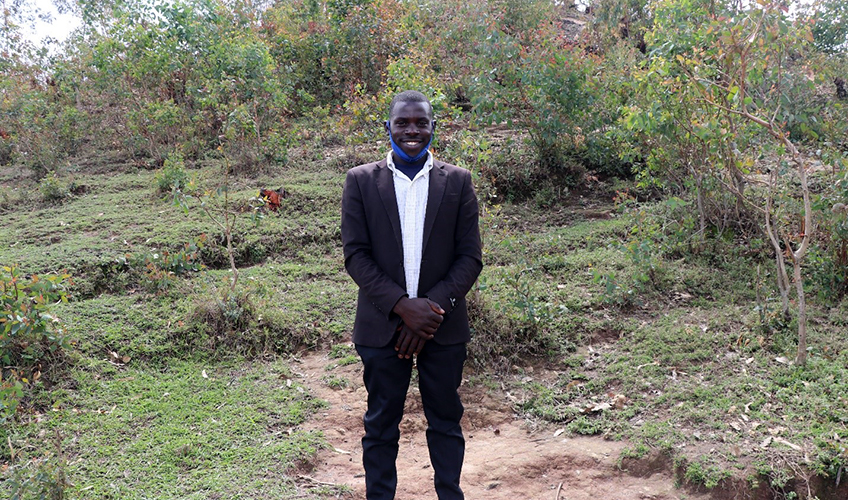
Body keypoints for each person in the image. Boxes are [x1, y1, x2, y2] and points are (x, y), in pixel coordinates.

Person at [340, 90, 483, 500]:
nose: (412, 130)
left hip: (444, 327)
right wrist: (403, 309)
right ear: (388, 128)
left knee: (446, 421)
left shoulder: (457, 181)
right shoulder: (361, 182)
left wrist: (429, 313)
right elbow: (356, 255)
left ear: (433, 128)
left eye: (421, 122)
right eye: (402, 122)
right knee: (381, 424)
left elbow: (470, 257)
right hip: (383, 328)